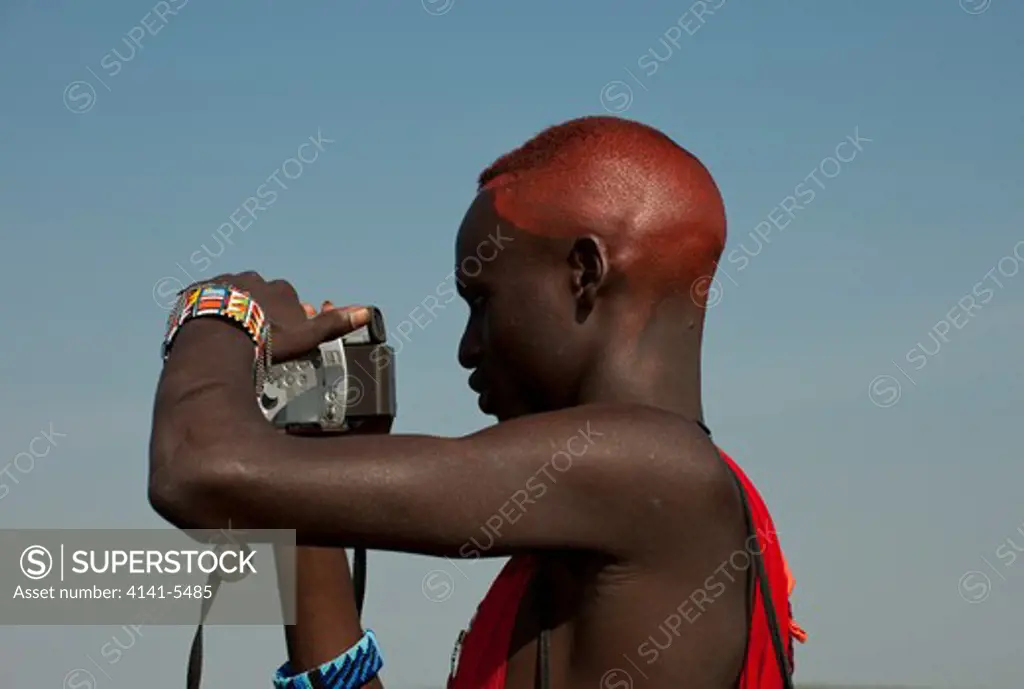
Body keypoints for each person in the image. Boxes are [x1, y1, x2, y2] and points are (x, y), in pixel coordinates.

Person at [149, 115, 805, 689]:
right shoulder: (637, 511)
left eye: (481, 301)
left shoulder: (654, 471)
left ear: (584, 272)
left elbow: (195, 469)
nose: (466, 348)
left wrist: (219, 312)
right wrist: (309, 471)